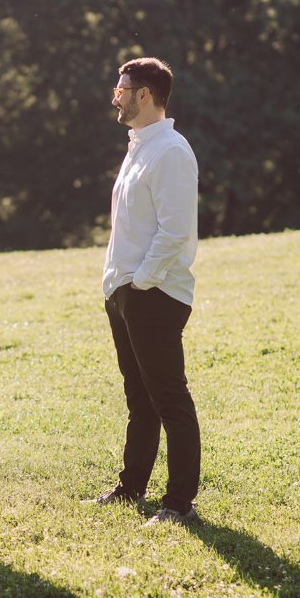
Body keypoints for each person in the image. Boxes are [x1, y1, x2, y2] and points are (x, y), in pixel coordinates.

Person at [89, 57, 201, 527]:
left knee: (169, 399)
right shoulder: (138, 148)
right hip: (125, 293)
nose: (114, 97)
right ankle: (131, 486)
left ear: (145, 95)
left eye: (121, 89)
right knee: (139, 399)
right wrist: (117, 286)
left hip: (154, 295)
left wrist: (142, 283)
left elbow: (175, 231)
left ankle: (179, 504)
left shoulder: (171, 151)